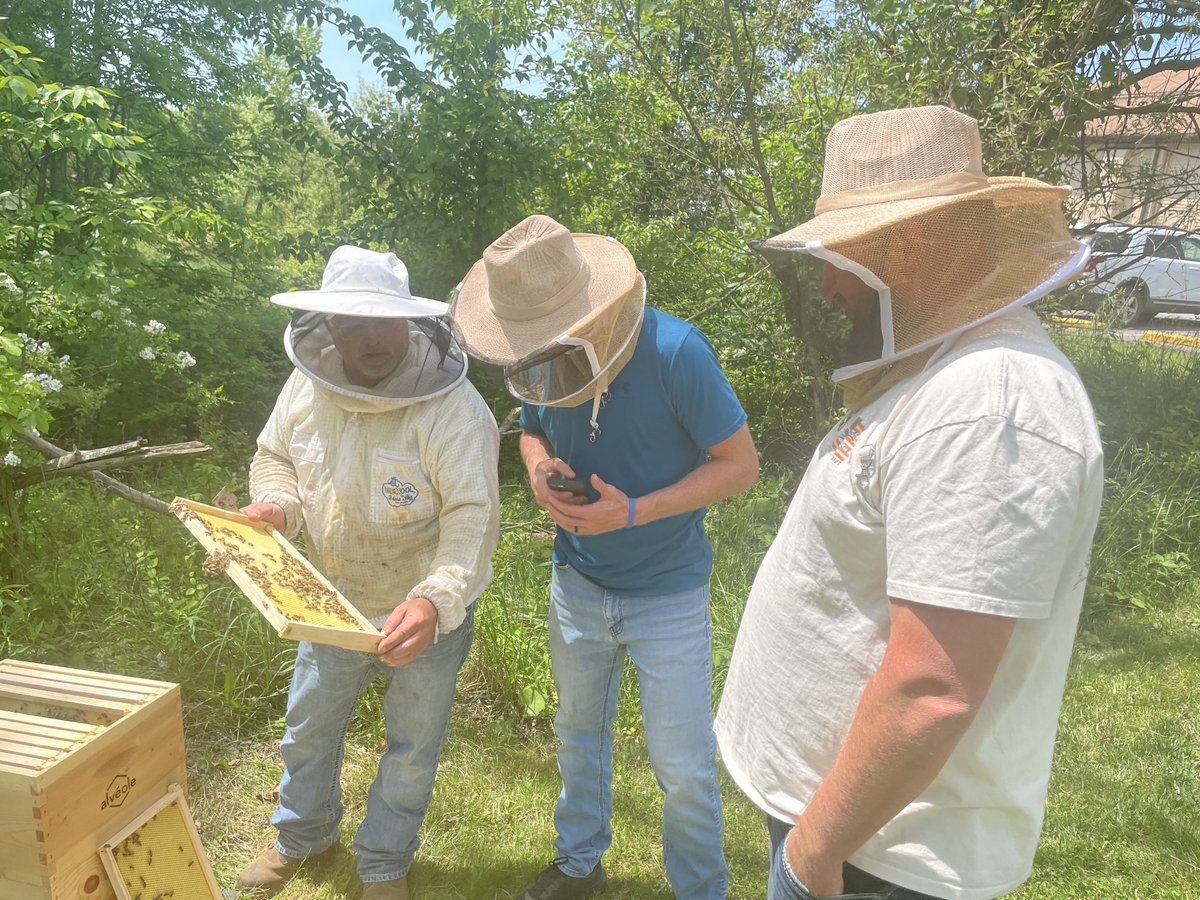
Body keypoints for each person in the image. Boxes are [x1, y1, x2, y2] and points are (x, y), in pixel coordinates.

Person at [714, 105, 1106, 900]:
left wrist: (812, 857)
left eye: (844, 253)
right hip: (852, 832)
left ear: (919, 241)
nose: (828, 280)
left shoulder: (990, 399)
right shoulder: (944, 371)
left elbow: (933, 687)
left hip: (879, 856)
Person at [452, 215, 759, 900]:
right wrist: (536, 470)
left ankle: (701, 889)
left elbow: (741, 466)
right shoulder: (539, 355)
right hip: (577, 583)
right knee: (577, 734)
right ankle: (579, 861)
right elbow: (532, 429)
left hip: (668, 591)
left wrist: (633, 511)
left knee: (681, 763)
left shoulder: (677, 351)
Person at [234, 245, 500, 900]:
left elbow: (473, 517)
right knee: (308, 728)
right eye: (353, 324)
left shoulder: (454, 410)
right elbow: (276, 460)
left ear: (412, 325)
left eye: (385, 322)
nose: (371, 338)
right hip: (331, 601)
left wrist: (437, 599)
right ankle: (303, 834)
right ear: (327, 329)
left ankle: (383, 861)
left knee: (410, 750)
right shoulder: (305, 384)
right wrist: (277, 508)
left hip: (422, 616)